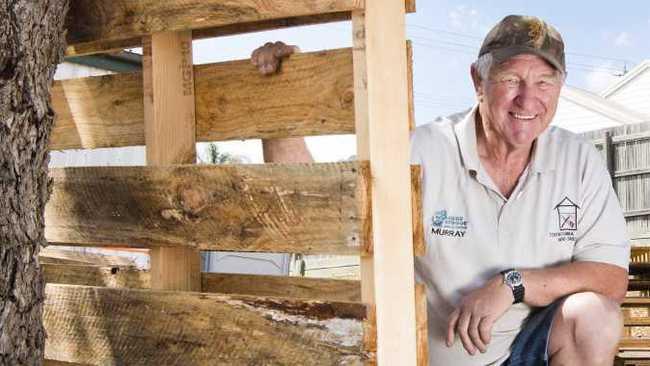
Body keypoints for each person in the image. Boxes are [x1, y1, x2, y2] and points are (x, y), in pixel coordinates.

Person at [251, 15, 629, 366]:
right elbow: (321, 211)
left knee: (595, 316)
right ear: (477, 82)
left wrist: (513, 283)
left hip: (529, 352)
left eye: (544, 82)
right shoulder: (422, 151)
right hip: (436, 357)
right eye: (511, 79)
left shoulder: (578, 159)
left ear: (560, 87)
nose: (528, 99)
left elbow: (612, 278)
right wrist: (283, 100)